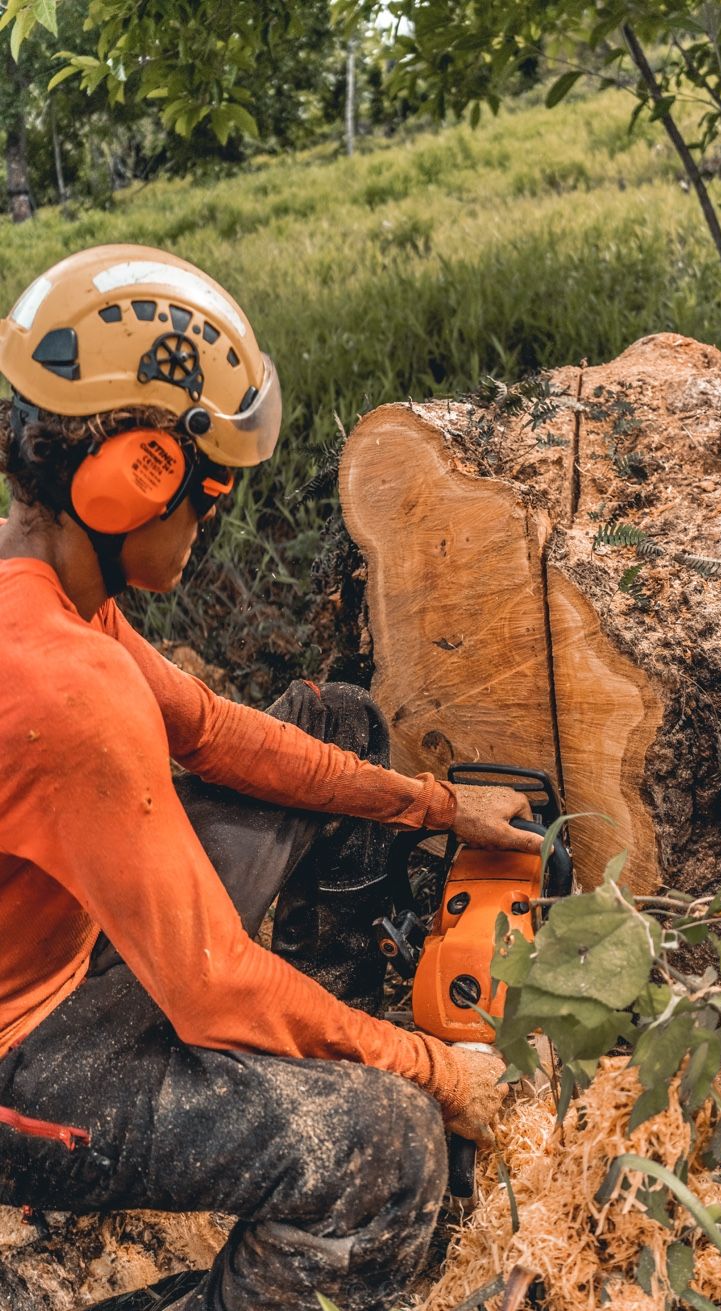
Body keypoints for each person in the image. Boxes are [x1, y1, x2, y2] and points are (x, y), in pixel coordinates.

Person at [0, 246, 542, 1311]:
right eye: (211, 498)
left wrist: (432, 804)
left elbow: (213, 732)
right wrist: (429, 1075)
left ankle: (300, 1082)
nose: (209, 524)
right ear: (142, 472)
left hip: (77, 950)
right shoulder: (65, 690)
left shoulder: (46, 591)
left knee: (333, 732)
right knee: (389, 1152)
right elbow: (207, 990)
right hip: (26, 1060)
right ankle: (314, 1175)